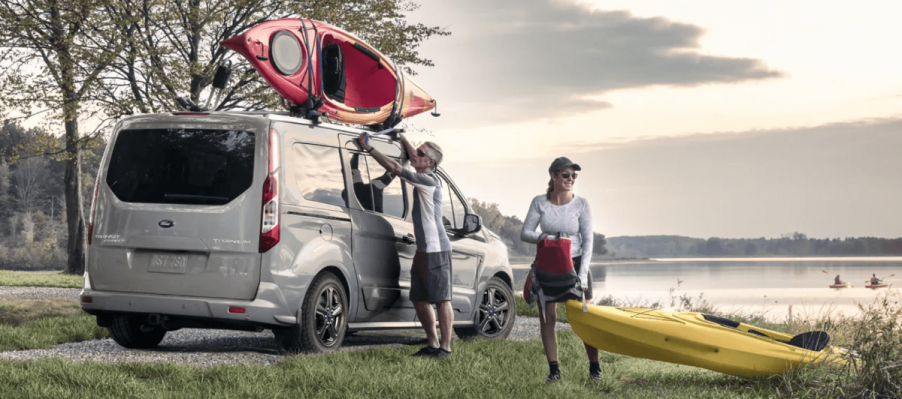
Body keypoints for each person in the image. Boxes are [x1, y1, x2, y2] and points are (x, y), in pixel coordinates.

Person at [357, 132, 453, 359]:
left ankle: (445, 348)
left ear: (429, 162)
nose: (413, 155)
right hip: (423, 249)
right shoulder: (424, 168)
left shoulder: (429, 180)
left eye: (419, 154)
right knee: (419, 298)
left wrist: (368, 148)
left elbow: (395, 168)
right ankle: (432, 344)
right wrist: (402, 136)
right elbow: (411, 155)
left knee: (441, 299)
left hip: (437, 249)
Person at [521, 156, 601, 382]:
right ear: (553, 176)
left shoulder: (582, 204)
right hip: (548, 264)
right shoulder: (540, 202)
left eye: (574, 175)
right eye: (566, 174)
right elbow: (525, 232)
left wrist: (583, 274)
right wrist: (545, 236)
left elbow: (588, 242)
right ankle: (554, 370)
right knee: (548, 318)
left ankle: (595, 367)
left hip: (575, 264)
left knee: (586, 317)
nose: (571, 179)